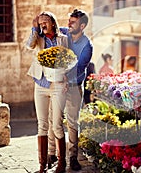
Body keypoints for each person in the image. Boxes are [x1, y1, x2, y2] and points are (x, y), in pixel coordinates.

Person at [47, 9, 93, 171]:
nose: (68, 24)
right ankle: (51, 154)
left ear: (82, 26)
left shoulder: (87, 45)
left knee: (73, 123)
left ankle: (72, 157)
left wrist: (67, 78)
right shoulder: (63, 33)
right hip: (58, 84)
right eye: (69, 21)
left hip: (74, 87)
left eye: (72, 22)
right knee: (53, 120)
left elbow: (80, 67)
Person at [26, 11, 68, 173]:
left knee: (57, 125)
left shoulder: (63, 39)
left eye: (45, 21)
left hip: (58, 85)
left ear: (52, 23)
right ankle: (42, 164)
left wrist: (67, 80)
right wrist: (34, 28)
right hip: (41, 84)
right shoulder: (38, 38)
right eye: (40, 22)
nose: (43, 24)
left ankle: (62, 163)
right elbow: (29, 45)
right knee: (41, 125)